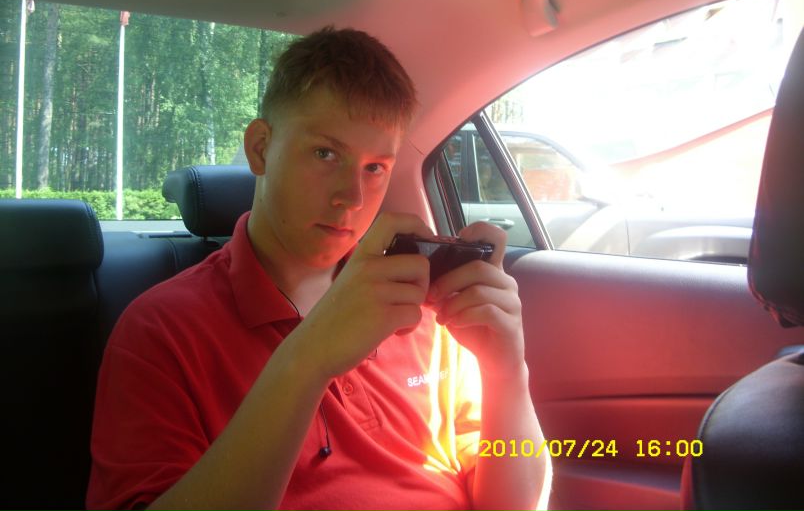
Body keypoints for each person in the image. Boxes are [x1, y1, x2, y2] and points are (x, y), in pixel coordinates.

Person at [87, 27, 552, 510]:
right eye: (325, 154)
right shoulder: (161, 331)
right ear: (260, 148)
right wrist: (308, 360)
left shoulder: (427, 312)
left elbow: (516, 503)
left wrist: (506, 373)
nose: (352, 197)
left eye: (375, 168)